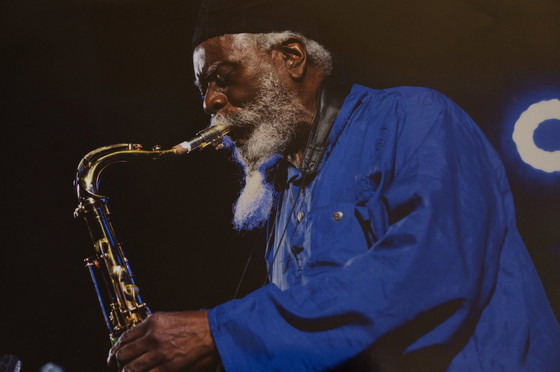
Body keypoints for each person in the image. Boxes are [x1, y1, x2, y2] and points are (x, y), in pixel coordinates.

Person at [108, 0, 560, 370]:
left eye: (222, 77)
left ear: (291, 57)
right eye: (202, 88)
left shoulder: (416, 117)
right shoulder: (282, 196)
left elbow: (426, 277)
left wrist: (221, 333)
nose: (210, 102)